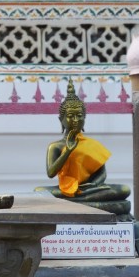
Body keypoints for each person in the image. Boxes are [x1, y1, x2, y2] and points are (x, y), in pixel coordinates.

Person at [36, 80, 131, 215]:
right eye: (70, 116)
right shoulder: (56, 146)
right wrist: (67, 152)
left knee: (124, 189)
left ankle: (78, 203)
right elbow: (51, 173)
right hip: (65, 189)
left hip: (90, 190)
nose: (75, 120)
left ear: (85, 118)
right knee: (39, 192)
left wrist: (94, 185)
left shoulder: (91, 145)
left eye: (79, 116)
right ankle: (86, 204)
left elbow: (101, 173)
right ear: (61, 120)